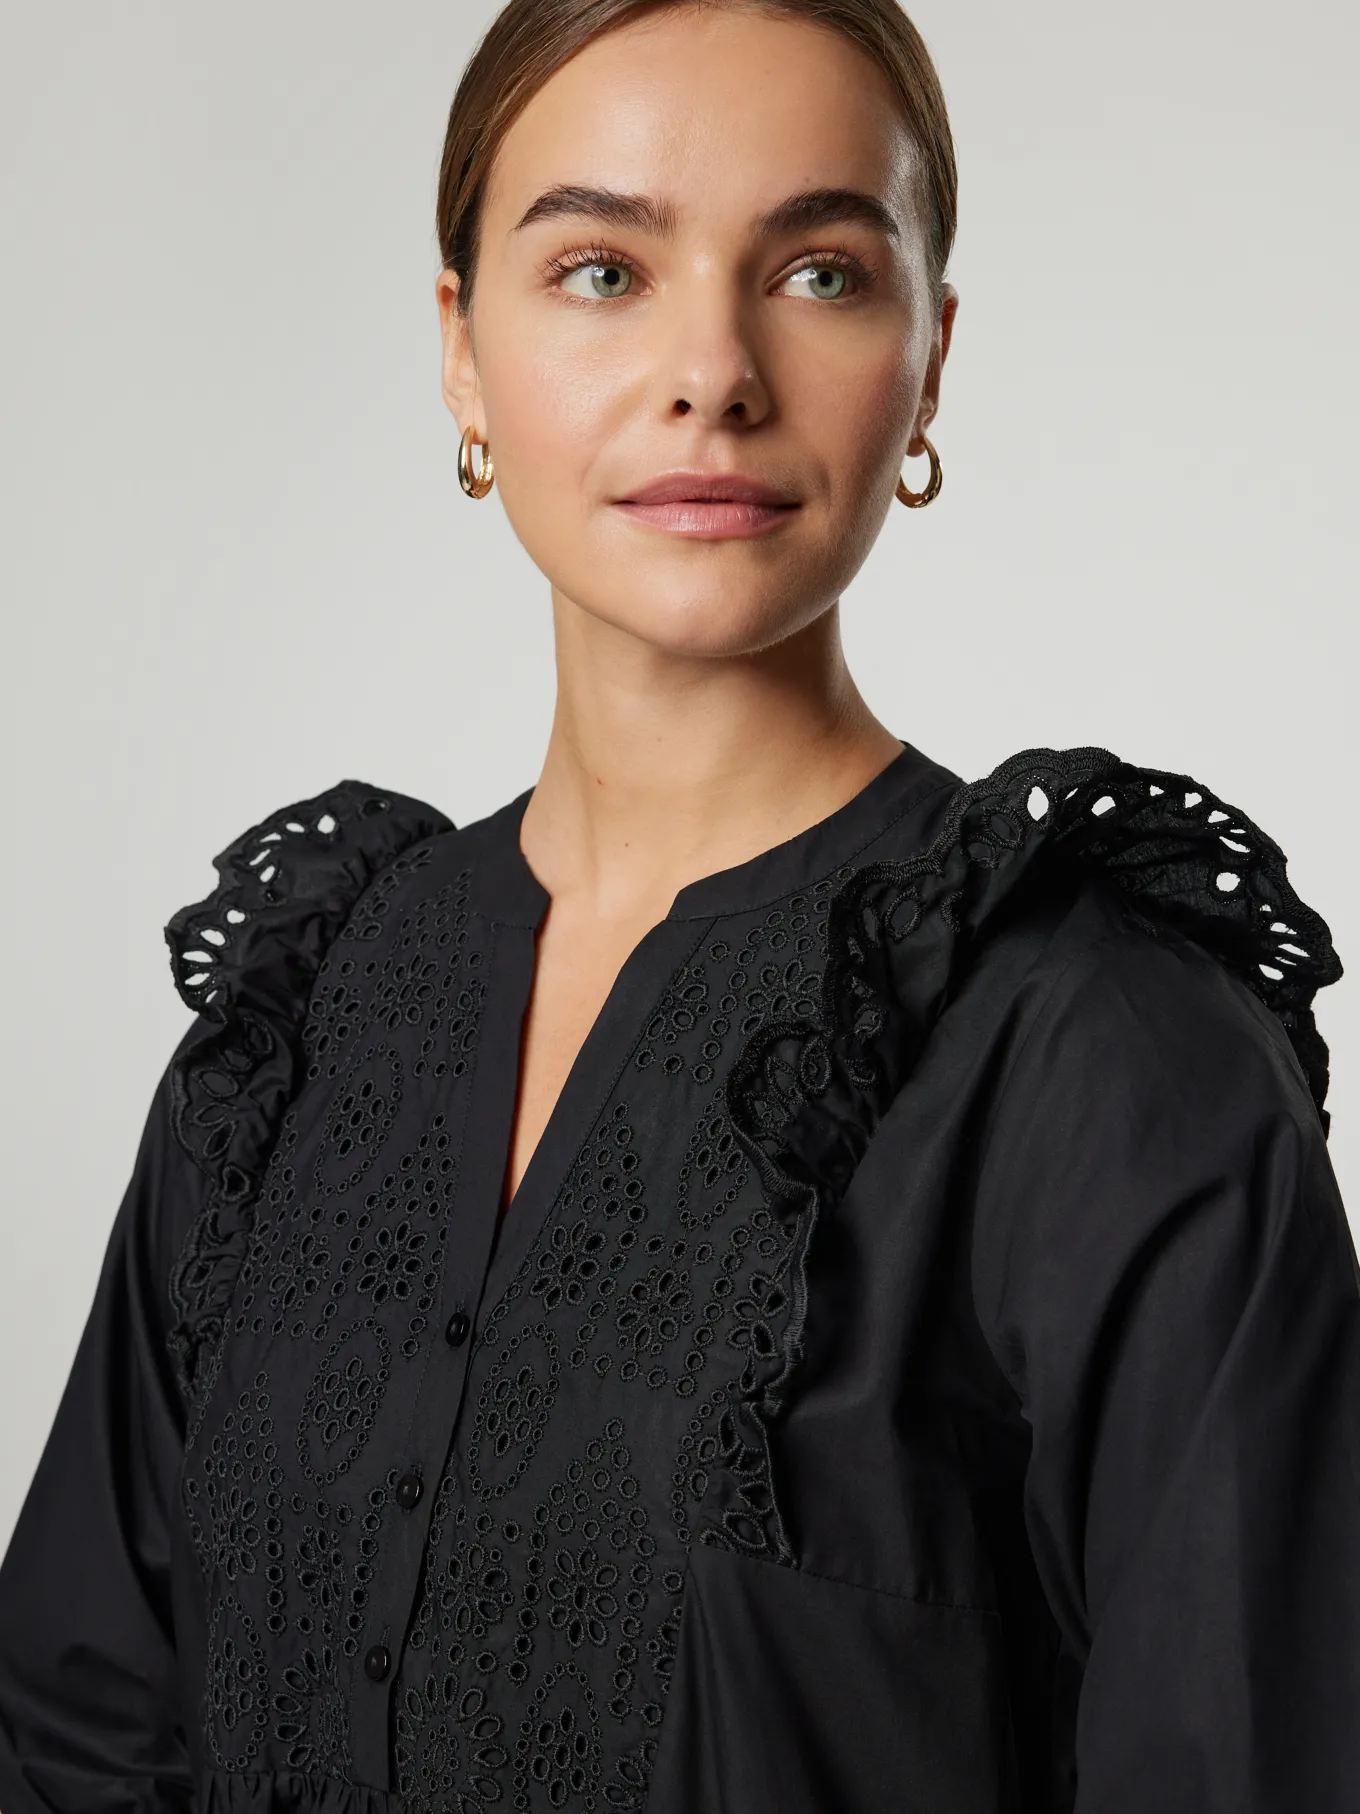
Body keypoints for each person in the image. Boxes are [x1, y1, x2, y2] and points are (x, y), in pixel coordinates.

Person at [1, 1, 1355, 1809]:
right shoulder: (303, 1022)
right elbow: (75, 1730)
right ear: (462, 352)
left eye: (817, 273)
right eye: (600, 270)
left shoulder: (1114, 1065)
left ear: (929, 359)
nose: (712, 369)